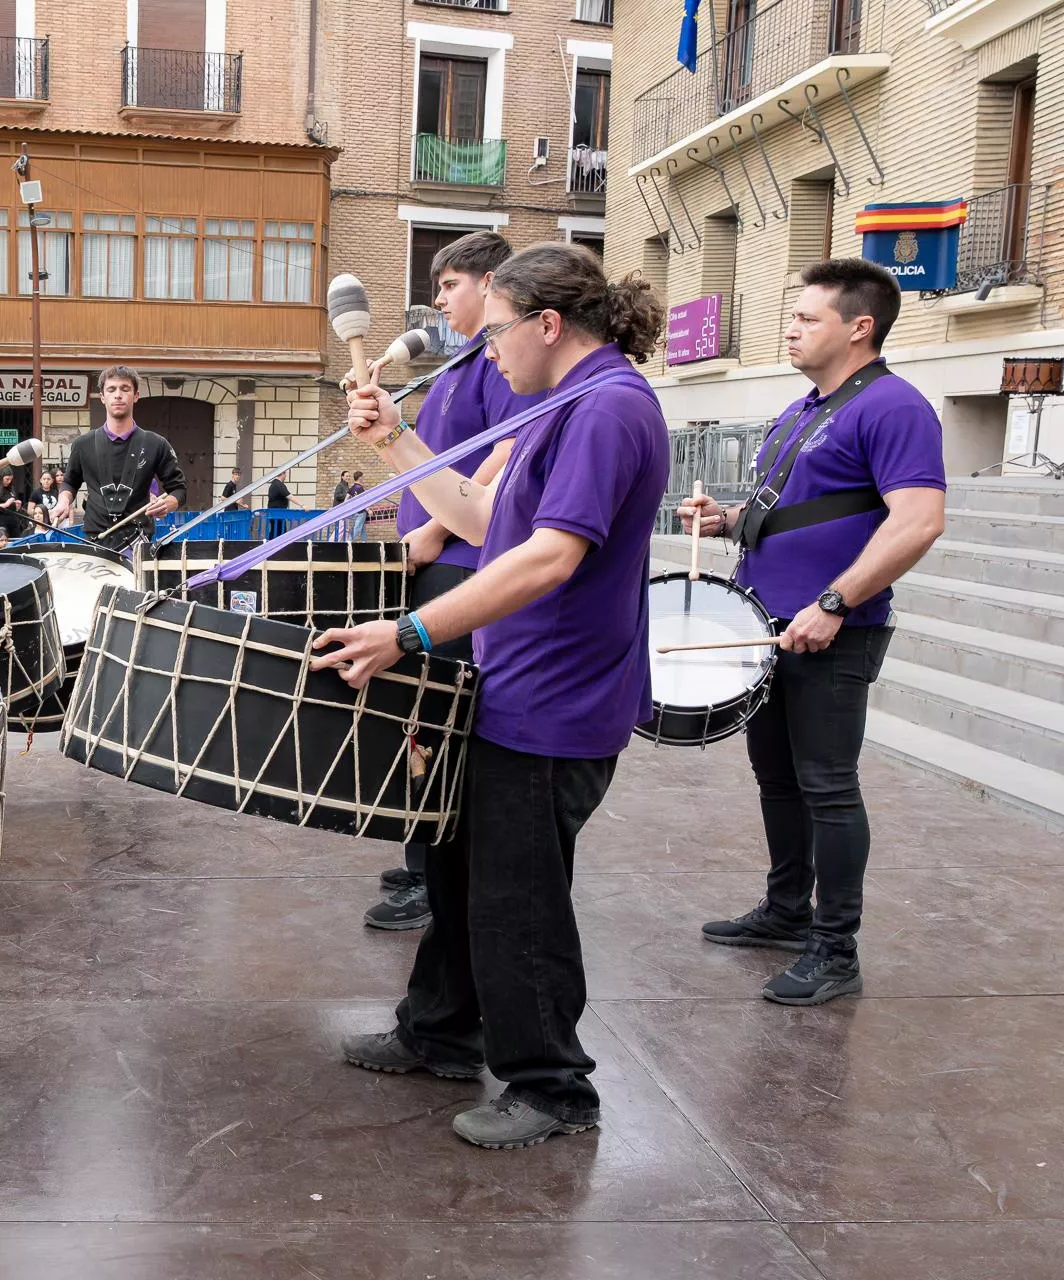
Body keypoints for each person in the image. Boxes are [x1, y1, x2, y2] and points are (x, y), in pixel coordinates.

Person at [315, 242, 669, 1150]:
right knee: (461, 874)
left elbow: (549, 559)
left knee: (520, 898)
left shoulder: (609, 408)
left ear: (548, 324)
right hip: (512, 687)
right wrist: (394, 439)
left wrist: (410, 633)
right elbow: (479, 519)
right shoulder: (561, 405)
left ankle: (553, 1088)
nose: (486, 348)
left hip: (556, 702)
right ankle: (440, 1032)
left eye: (497, 330)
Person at [682, 259, 946, 1006]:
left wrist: (835, 602)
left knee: (827, 786)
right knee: (777, 778)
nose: (790, 328)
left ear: (860, 327)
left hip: (834, 631)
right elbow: (807, 509)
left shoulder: (894, 406)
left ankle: (835, 948)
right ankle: (787, 909)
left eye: (806, 318)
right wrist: (727, 520)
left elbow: (919, 521)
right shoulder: (804, 408)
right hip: (766, 625)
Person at [364, 230, 543, 932]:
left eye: (449, 285)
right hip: (434, 562)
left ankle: (431, 877)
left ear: (492, 283)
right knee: (418, 721)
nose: (437, 299)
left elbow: (507, 450)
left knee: (437, 723)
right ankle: (422, 858)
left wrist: (437, 532)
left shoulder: (502, 363)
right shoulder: (460, 365)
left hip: (463, 567)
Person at [54, 366, 187, 549]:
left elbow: (179, 489)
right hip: (94, 543)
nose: (118, 395)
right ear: (102, 397)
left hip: (138, 543)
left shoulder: (156, 444)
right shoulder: (82, 444)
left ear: (136, 396)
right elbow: (70, 482)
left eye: (125, 389)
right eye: (111, 389)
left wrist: (167, 504)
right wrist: (63, 501)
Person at [0, 468, 33, 541]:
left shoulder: (11, 488)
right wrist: (5, 504)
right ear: (1, 477)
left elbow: (13, 506)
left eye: (11, 479)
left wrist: (17, 505)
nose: (9, 481)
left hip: (13, 525)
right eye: (7, 479)